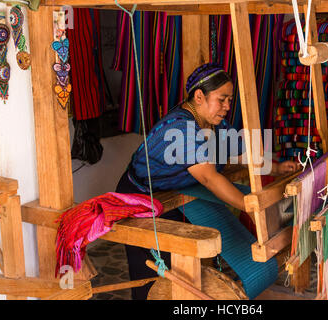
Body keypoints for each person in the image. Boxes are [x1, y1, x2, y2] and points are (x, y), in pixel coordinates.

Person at [115, 63, 300, 299]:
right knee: (151, 275)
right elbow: (209, 178)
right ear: (199, 96)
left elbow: (241, 153)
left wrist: (276, 167)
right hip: (139, 199)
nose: (227, 107)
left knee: (182, 268)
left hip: (172, 195)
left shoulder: (214, 125)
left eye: (230, 100)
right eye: (222, 99)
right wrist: (248, 205)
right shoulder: (180, 129)